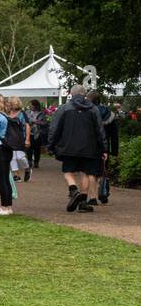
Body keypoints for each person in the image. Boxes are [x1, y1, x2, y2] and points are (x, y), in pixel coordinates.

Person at [47, 84, 107, 214]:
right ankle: (83, 203)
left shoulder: (64, 108)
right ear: (84, 94)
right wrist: (103, 148)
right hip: (89, 147)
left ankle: (73, 190)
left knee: (68, 171)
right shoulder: (93, 109)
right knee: (85, 172)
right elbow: (100, 130)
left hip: (68, 146)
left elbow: (54, 128)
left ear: (71, 94)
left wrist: (51, 145)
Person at [92, 90, 119, 205]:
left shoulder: (88, 112)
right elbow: (114, 135)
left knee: (90, 171)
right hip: (105, 146)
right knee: (103, 170)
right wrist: (115, 150)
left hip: (90, 146)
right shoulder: (110, 114)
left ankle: (91, 195)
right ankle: (103, 191)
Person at [4, 96, 31, 183]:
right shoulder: (7, 113)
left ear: (13, 103)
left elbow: (27, 126)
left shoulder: (22, 113)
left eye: (8, 102)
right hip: (9, 138)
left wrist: (27, 139)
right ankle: (16, 175)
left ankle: (27, 169)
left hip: (20, 138)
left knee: (20, 157)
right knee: (12, 157)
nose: (7, 104)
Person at [26, 98, 48, 170]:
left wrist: (38, 122)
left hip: (38, 133)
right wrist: (29, 122)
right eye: (30, 105)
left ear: (35, 106)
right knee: (28, 149)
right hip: (29, 133)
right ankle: (29, 162)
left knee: (37, 149)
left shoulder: (41, 113)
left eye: (31, 105)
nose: (30, 106)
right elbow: (25, 122)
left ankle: (36, 162)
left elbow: (45, 123)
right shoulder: (27, 112)